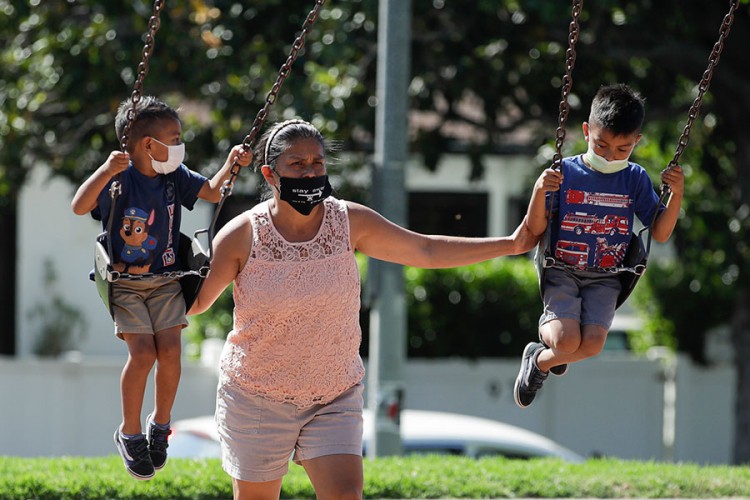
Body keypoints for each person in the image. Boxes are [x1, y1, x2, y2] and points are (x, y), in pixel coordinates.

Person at [188, 118, 539, 500]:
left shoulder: (348, 221)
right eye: (298, 165)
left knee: (346, 495)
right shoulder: (241, 235)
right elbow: (197, 303)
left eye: (318, 163)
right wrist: (139, 283)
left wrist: (511, 242)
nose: (310, 172)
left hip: (333, 393)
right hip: (256, 394)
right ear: (270, 173)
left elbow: (424, 250)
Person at [71, 96, 252, 480]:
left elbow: (214, 192)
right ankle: (130, 432)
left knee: (169, 351)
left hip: (168, 280)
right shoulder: (118, 179)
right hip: (127, 284)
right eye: (174, 137)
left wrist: (230, 164)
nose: (179, 145)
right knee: (142, 355)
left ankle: (160, 424)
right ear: (147, 144)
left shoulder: (176, 176)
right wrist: (105, 170)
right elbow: (79, 205)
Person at [513, 83, 685, 409]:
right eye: (601, 144)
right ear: (586, 131)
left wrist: (676, 194)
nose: (609, 156)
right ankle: (549, 345)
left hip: (607, 275)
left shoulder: (633, 178)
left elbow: (660, 232)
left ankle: (540, 362)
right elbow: (535, 229)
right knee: (566, 341)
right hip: (562, 268)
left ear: (637, 142)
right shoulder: (565, 172)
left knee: (591, 345)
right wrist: (539, 190)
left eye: (622, 150)